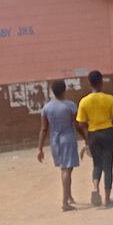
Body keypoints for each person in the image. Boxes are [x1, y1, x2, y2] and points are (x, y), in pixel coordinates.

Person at [76, 70, 113, 207]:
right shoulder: (109, 99)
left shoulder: (84, 101)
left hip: (93, 134)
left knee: (97, 164)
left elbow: (80, 123)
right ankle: (107, 199)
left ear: (89, 83)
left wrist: (90, 127)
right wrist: (108, 122)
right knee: (108, 166)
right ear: (101, 82)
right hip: (108, 133)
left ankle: (95, 188)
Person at [37, 79, 84, 212]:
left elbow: (44, 128)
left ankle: (68, 196)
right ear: (65, 90)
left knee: (66, 169)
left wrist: (40, 148)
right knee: (66, 170)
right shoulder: (70, 106)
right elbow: (76, 125)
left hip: (55, 140)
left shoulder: (46, 108)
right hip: (68, 138)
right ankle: (65, 202)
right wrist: (85, 137)